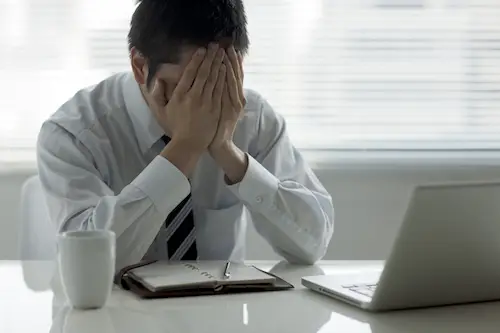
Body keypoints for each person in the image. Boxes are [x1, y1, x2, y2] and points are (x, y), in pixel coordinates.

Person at [37, 0, 334, 271]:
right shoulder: (73, 134)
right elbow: (88, 265)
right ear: (140, 67)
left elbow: (312, 245)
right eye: (184, 86)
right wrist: (185, 149)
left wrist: (229, 154)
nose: (198, 104)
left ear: (238, 69)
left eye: (215, 83)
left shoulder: (253, 119)